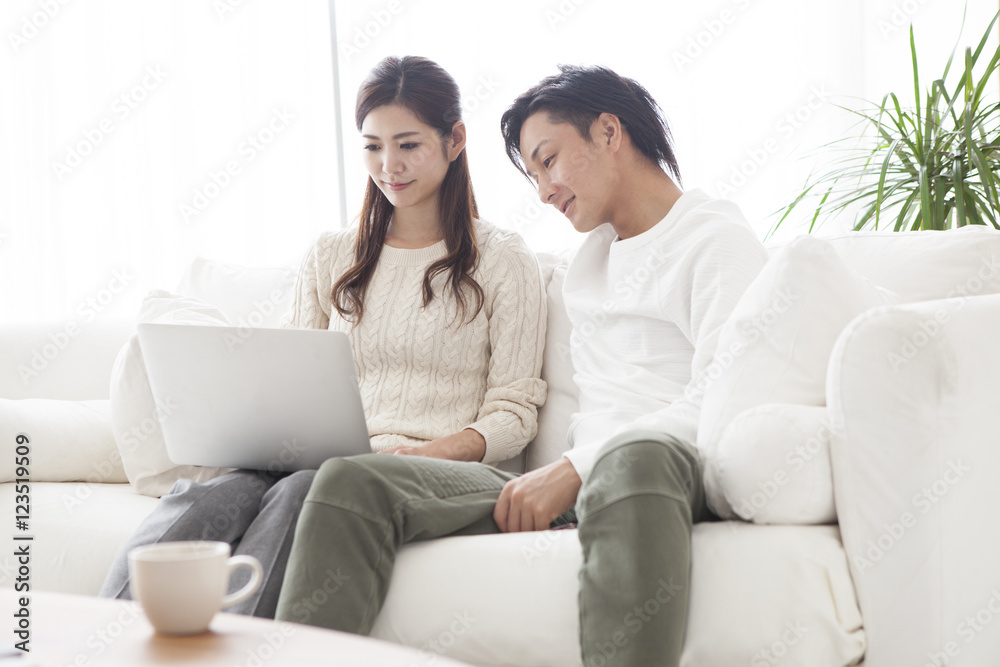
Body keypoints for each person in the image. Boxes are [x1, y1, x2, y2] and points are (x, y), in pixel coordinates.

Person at [274, 65, 769, 666]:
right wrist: (561, 478)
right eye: (532, 174)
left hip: (654, 472)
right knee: (352, 480)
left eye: (549, 160)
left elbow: (726, 395)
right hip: (563, 484)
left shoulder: (715, 240)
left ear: (609, 132)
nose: (544, 191)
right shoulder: (592, 261)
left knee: (634, 458)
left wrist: (574, 468)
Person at [98, 55, 547, 619]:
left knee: (304, 489)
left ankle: (247, 653)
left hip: (437, 469)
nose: (389, 166)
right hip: (327, 460)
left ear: (455, 140)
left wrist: (431, 449)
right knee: (216, 491)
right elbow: (288, 378)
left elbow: (515, 410)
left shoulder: (503, 259)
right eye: (372, 146)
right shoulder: (331, 256)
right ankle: (107, 635)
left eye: (408, 144)